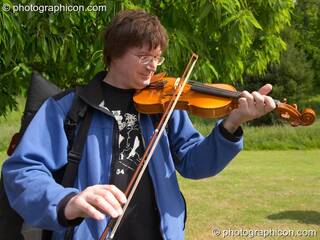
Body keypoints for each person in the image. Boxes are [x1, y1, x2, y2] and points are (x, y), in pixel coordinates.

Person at [2, 9, 275, 240]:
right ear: (114, 54)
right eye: (144, 57)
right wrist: (68, 201)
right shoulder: (68, 107)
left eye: (158, 58)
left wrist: (232, 123)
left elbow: (195, 163)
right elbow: (23, 171)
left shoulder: (166, 104)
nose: (153, 66)